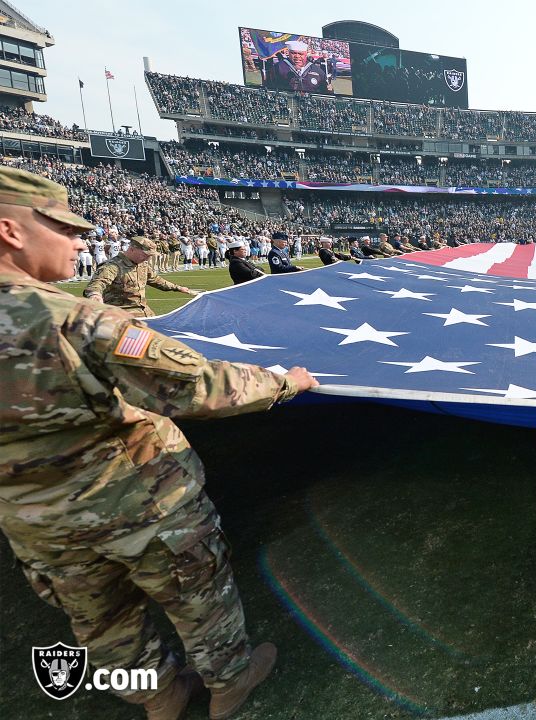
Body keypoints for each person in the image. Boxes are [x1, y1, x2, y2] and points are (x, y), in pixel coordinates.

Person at [0, 166, 320, 719]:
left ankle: (159, 696)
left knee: (98, 619)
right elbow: (195, 387)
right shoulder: (74, 319)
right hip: (134, 502)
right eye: (63, 228)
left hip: (34, 521)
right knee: (196, 594)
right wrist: (286, 381)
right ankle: (230, 682)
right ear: (11, 232)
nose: (79, 238)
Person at [83, 236, 198, 318]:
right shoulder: (112, 266)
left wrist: (179, 288)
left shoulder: (142, 264)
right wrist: (95, 295)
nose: (147, 258)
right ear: (132, 249)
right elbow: (97, 284)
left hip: (145, 313)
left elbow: (156, 280)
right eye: (145, 255)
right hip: (122, 316)